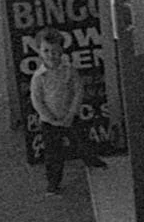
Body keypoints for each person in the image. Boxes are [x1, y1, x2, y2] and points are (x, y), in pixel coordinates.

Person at [28, 29, 104, 196]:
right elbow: (37, 100)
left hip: (71, 117)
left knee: (82, 142)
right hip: (50, 122)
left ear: (61, 51)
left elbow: (78, 91)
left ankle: (91, 160)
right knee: (53, 155)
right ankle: (53, 183)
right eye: (46, 51)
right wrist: (49, 117)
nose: (50, 55)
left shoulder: (69, 70)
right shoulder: (38, 77)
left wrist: (71, 113)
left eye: (55, 51)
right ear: (39, 51)